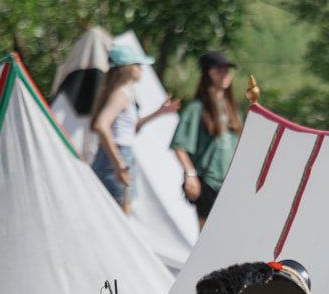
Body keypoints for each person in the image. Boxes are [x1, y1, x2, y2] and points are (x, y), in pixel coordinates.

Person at [89, 44, 180, 216]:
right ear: (128, 68)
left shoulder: (122, 93)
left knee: (121, 217)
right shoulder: (120, 95)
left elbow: (131, 127)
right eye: (138, 65)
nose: (141, 69)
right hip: (115, 158)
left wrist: (160, 112)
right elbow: (101, 125)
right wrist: (119, 163)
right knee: (121, 219)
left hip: (118, 157)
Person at [171, 50, 242, 228]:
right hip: (208, 179)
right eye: (218, 71)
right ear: (207, 75)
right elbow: (179, 146)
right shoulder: (197, 108)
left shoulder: (232, 108)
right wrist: (190, 175)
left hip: (229, 180)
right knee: (207, 234)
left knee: (228, 232)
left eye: (227, 71)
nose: (224, 75)